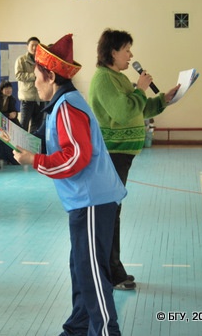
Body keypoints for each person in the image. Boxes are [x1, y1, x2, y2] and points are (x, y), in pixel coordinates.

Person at [13, 34, 126, 336]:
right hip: (84, 201)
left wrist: (34, 161)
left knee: (91, 274)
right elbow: (43, 141)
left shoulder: (67, 107)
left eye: (37, 75)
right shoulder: (59, 104)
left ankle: (106, 331)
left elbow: (76, 156)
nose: (35, 82)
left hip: (91, 201)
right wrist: (3, 136)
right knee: (81, 268)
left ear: (50, 76)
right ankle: (78, 328)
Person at [88, 29, 180, 291]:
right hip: (112, 155)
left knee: (113, 213)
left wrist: (162, 100)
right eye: (126, 50)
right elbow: (124, 111)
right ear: (112, 52)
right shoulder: (104, 79)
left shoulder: (117, 78)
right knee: (109, 214)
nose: (131, 55)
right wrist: (139, 88)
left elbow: (139, 107)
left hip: (121, 156)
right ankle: (110, 273)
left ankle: (113, 270)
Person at [15, 36, 46, 133]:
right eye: (32, 45)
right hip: (27, 97)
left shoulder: (42, 60)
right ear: (27, 46)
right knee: (23, 125)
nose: (34, 48)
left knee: (37, 125)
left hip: (40, 97)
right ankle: (21, 143)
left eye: (37, 46)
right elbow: (18, 75)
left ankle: (33, 143)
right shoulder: (21, 60)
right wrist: (34, 76)